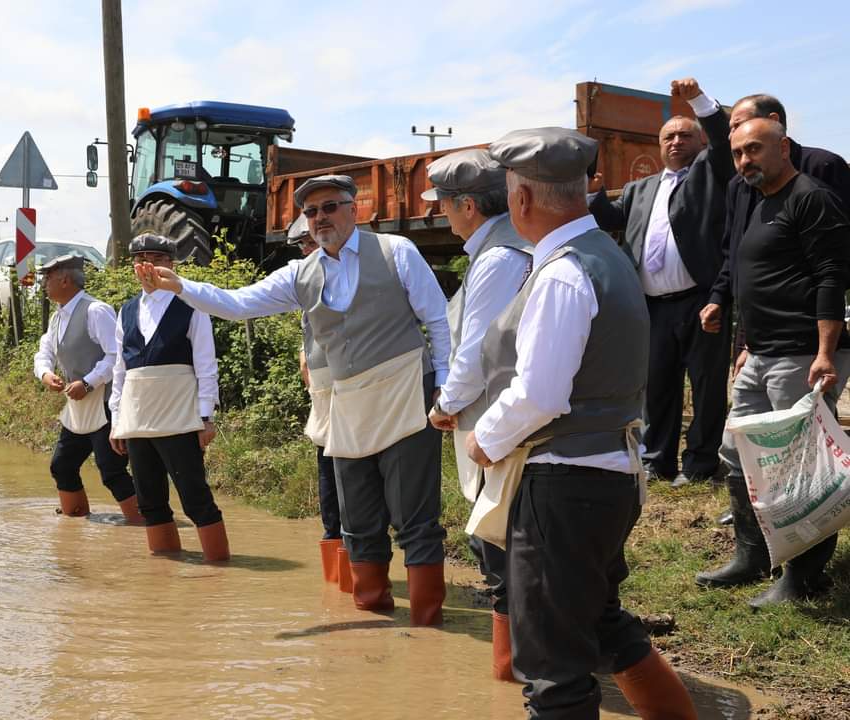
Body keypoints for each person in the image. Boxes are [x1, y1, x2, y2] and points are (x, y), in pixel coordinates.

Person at [134, 174, 452, 625]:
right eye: (311, 212)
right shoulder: (300, 272)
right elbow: (238, 303)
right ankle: (372, 621)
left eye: (329, 207)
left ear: (353, 210)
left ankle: (426, 623)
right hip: (346, 403)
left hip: (404, 391)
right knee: (358, 518)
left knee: (414, 515)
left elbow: (438, 321)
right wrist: (179, 285)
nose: (320, 218)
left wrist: (444, 386)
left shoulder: (396, 251)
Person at [469, 127, 696, 719]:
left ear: (521, 202)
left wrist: (483, 439)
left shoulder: (564, 273)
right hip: (609, 475)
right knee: (599, 621)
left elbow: (539, 394)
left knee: (552, 669)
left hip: (563, 483)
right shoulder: (608, 258)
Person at [695, 118, 850, 606]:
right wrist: (746, 341)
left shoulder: (812, 197)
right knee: (737, 453)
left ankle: (803, 578)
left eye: (755, 149)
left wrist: (826, 350)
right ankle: (752, 556)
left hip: (802, 354)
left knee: (797, 469)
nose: (745, 161)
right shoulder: (759, 201)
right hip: (760, 354)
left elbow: (831, 276)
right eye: (739, 153)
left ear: (784, 147)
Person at [588, 78, 735, 488]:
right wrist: (595, 195)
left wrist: (699, 102)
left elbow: (723, 141)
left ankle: (700, 464)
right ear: (659, 145)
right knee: (657, 387)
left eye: (684, 135)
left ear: (699, 141)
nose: (675, 142)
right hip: (652, 305)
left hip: (701, 302)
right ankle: (657, 460)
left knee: (706, 387)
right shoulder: (640, 189)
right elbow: (613, 221)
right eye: (668, 136)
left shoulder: (710, 173)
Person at [422, 148, 532, 680]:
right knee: (502, 541)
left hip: (492, 425)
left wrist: (444, 405)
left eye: (442, 204)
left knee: (495, 543)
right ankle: (517, 667)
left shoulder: (496, 260)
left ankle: (515, 667)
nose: (440, 213)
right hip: (502, 423)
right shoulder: (510, 249)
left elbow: (474, 350)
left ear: (467, 205)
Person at [108, 233, 228, 561]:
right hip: (137, 418)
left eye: (156, 259)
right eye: (140, 258)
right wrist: (116, 419)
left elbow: (206, 364)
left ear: (170, 265)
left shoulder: (191, 306)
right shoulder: (127, 311)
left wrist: (206, 417)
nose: (147, 265)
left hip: (179, 416)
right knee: (149, 498)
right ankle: (165, 567)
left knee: (194, 496)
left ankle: (219, 568)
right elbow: (120, 372)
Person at [33, 254, 142, 524]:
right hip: (79, 407)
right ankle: (74, 520)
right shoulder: (58, 317)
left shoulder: (96, 311)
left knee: (111, 470)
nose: (44, 284)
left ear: (65, 280)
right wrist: (45, 374)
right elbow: (43, 352)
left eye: (48, 278)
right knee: (62, 466)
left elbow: (116, 356)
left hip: (106, 403)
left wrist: (89, 381)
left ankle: (146, 523)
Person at [289, 214, 349, 588]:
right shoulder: (307, 283)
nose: (307, 252)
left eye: (310, 244)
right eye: (303, 246)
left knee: (355, 488)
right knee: (329, 487)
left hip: (356, 395)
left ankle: (362, 571)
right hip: (323, 399)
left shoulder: (350, 277)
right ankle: (339, 584)